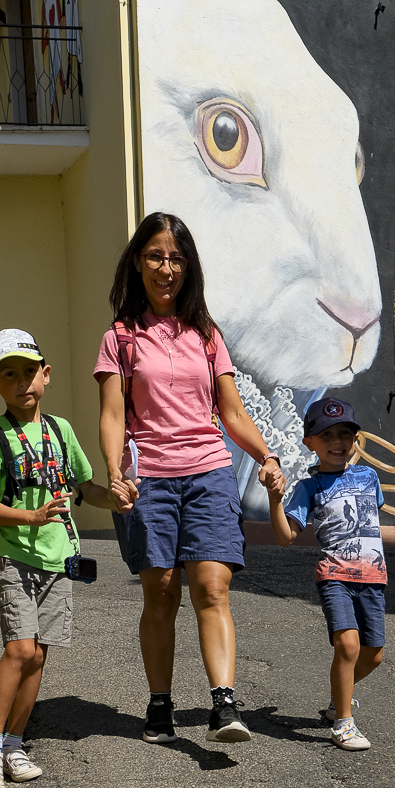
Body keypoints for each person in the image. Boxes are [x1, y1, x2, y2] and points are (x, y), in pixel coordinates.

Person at [95, 211, 284, 746]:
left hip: (209, 473)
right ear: (138, 262)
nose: (166, 268)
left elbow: (232, 412)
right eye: (156, 256)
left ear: (189, 267)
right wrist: (114, 471)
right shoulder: (120, 338)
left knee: (212, 587)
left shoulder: (206, 334)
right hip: (150, 479)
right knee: (161, 593)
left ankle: (223, 703)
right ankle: (160, 702)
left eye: (176, 258)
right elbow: (112, 415)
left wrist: (267, 455)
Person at [0, 329, 124, 788]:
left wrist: (116, 498)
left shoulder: (61, 431)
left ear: (46, 374)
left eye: (29, 371)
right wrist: (31, 517)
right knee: (19, 650)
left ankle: (14, 743)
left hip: (59, 560)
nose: (22, 382)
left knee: (38, 655)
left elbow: (85, 488)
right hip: (16, 557)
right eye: (8, 375)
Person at [268, 397, 386, 751]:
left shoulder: (370, 477)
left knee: (374, 654)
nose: (338, 442)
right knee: (348, 645)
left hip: (374, 577)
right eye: (327, 435)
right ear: (310, 442)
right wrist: (275, 500)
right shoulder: (309, 488)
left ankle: (339, 698)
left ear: (355, 439)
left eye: (345, 433)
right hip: (334, 575)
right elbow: (286, 537)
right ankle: (343, 724)